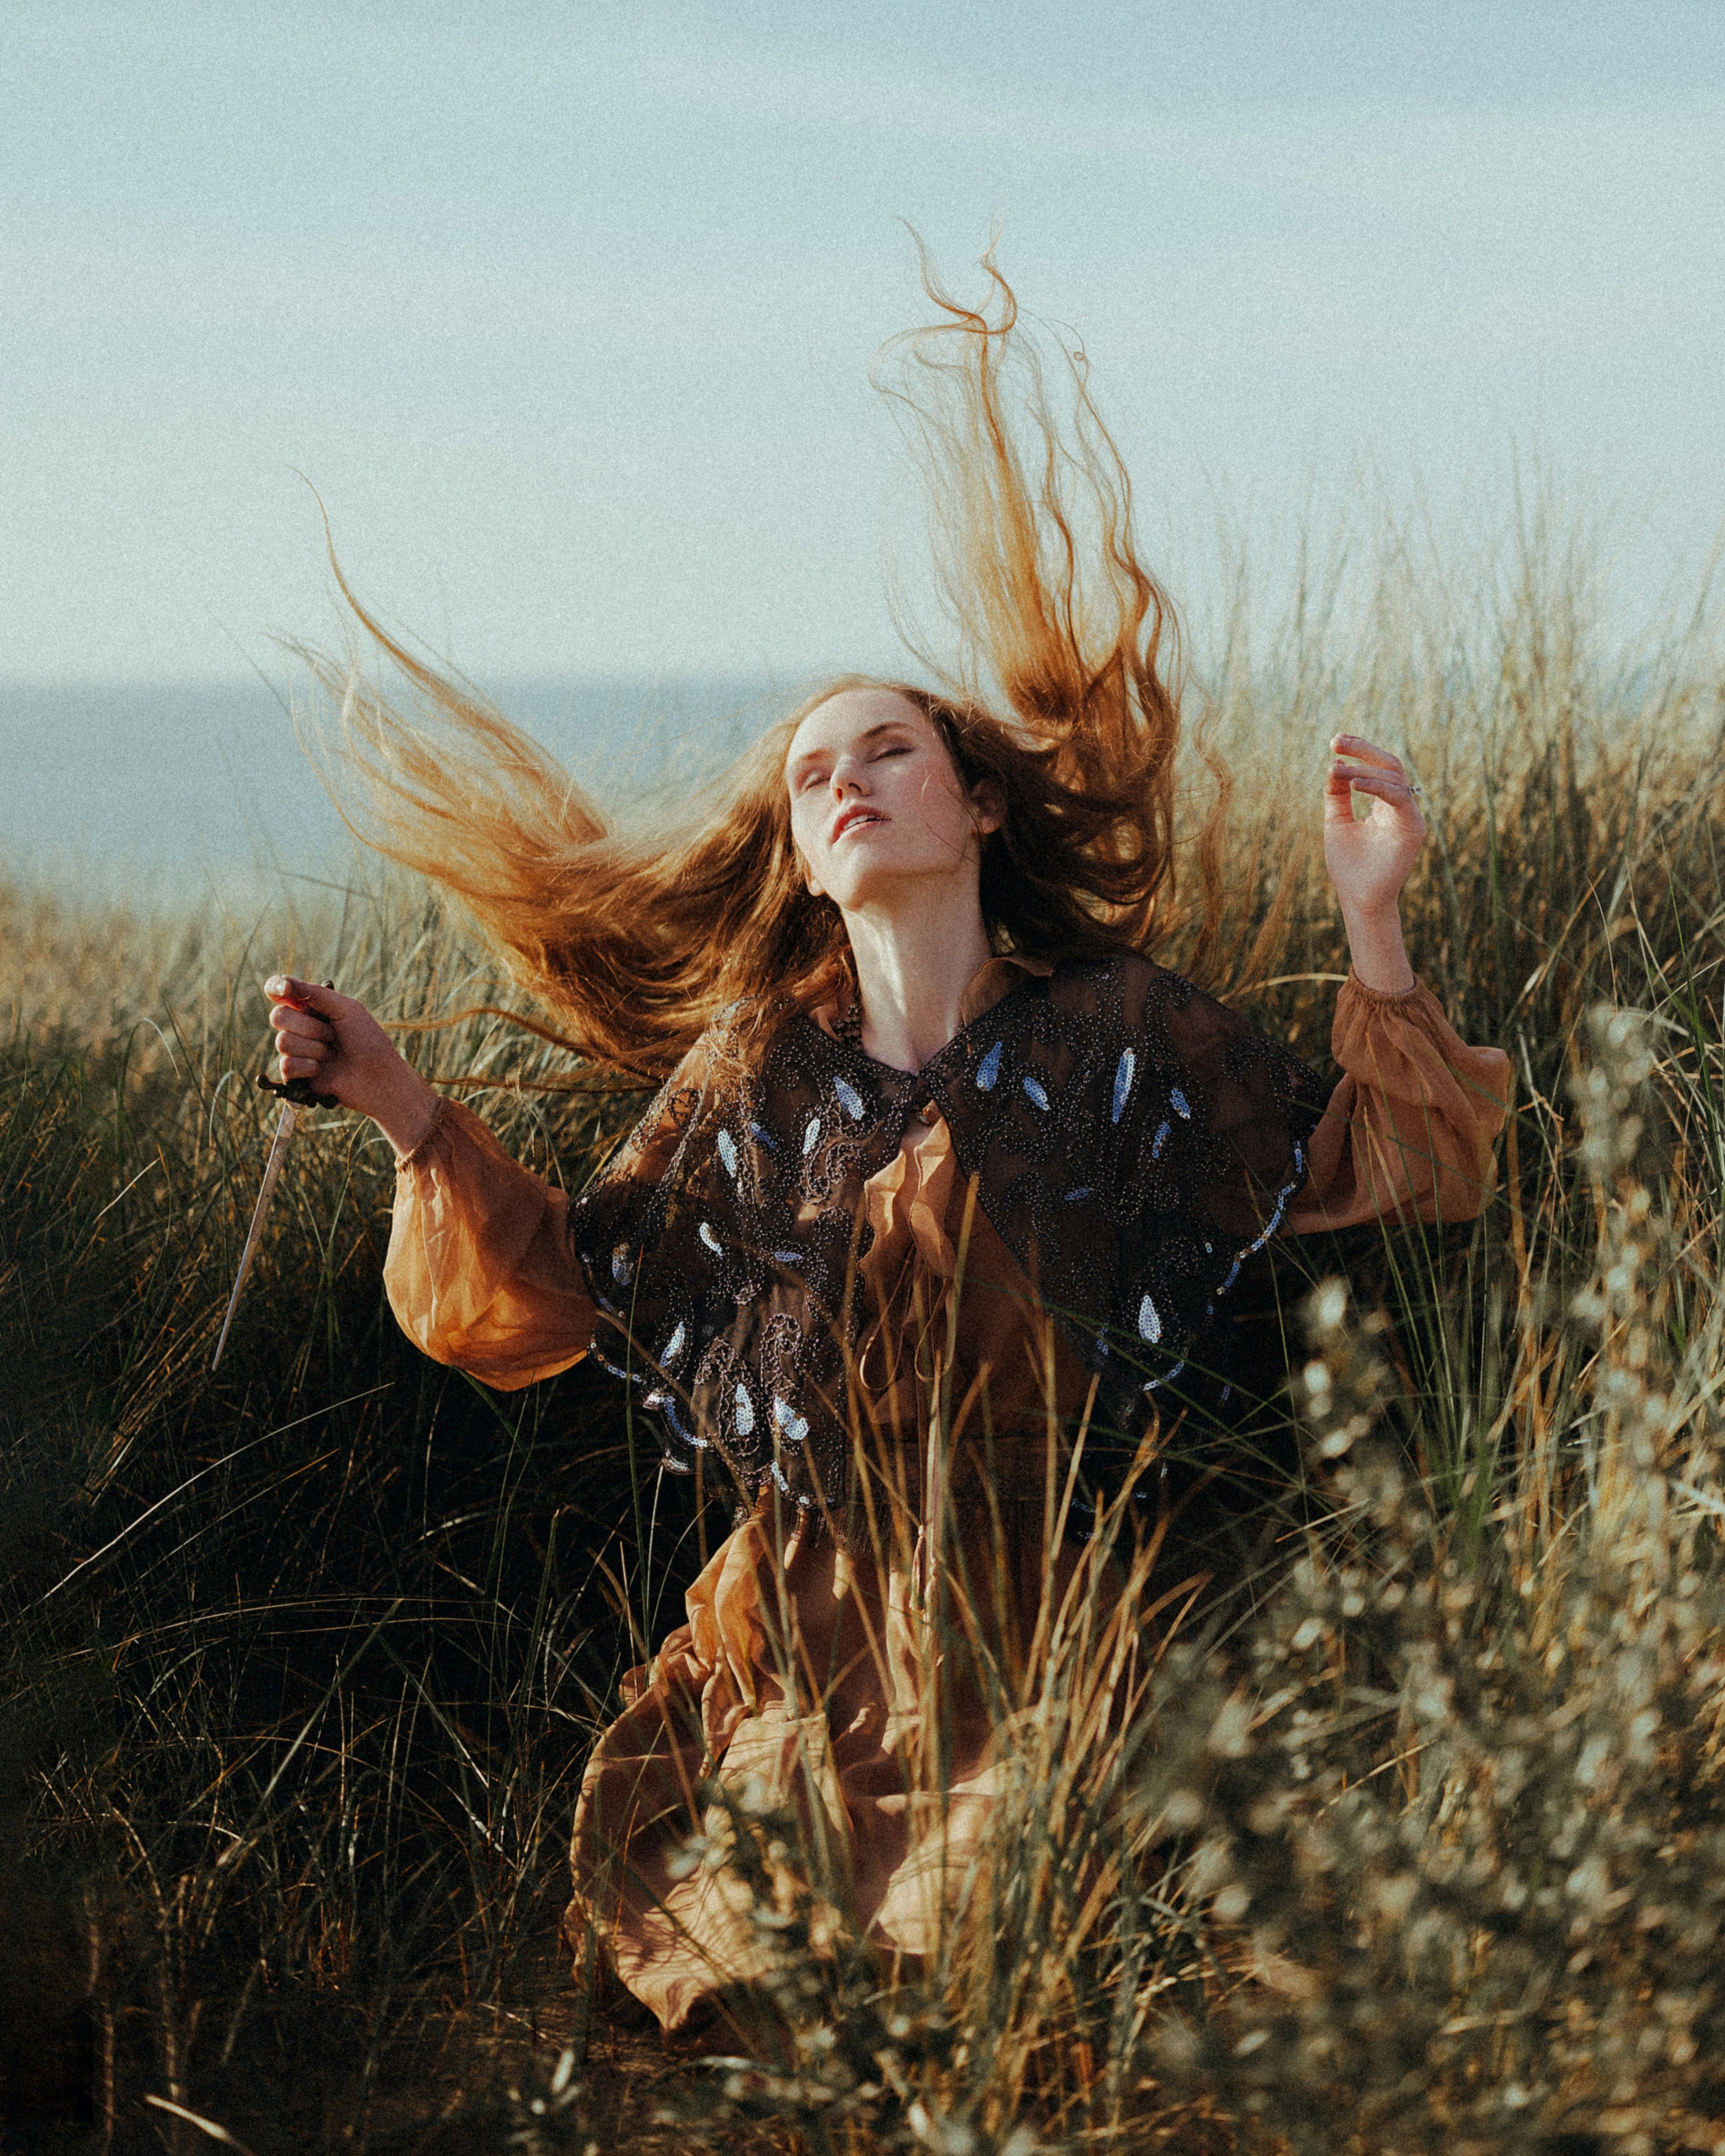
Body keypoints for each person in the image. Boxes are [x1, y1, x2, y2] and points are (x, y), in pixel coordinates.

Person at [262, 257, 1509, 2039]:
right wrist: (398, 1107)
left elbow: (1406, 1165)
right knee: (752, 1982)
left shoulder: (1117, 1034)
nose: (842, 782)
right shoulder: (760, 1075)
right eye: (809, 778)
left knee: (1014, 1965)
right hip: (800, 1640)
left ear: (979, 798)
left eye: (888, 749)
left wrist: (1373, 922)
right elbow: (546, 1300)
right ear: (801, 849)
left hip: (1049, 1623)